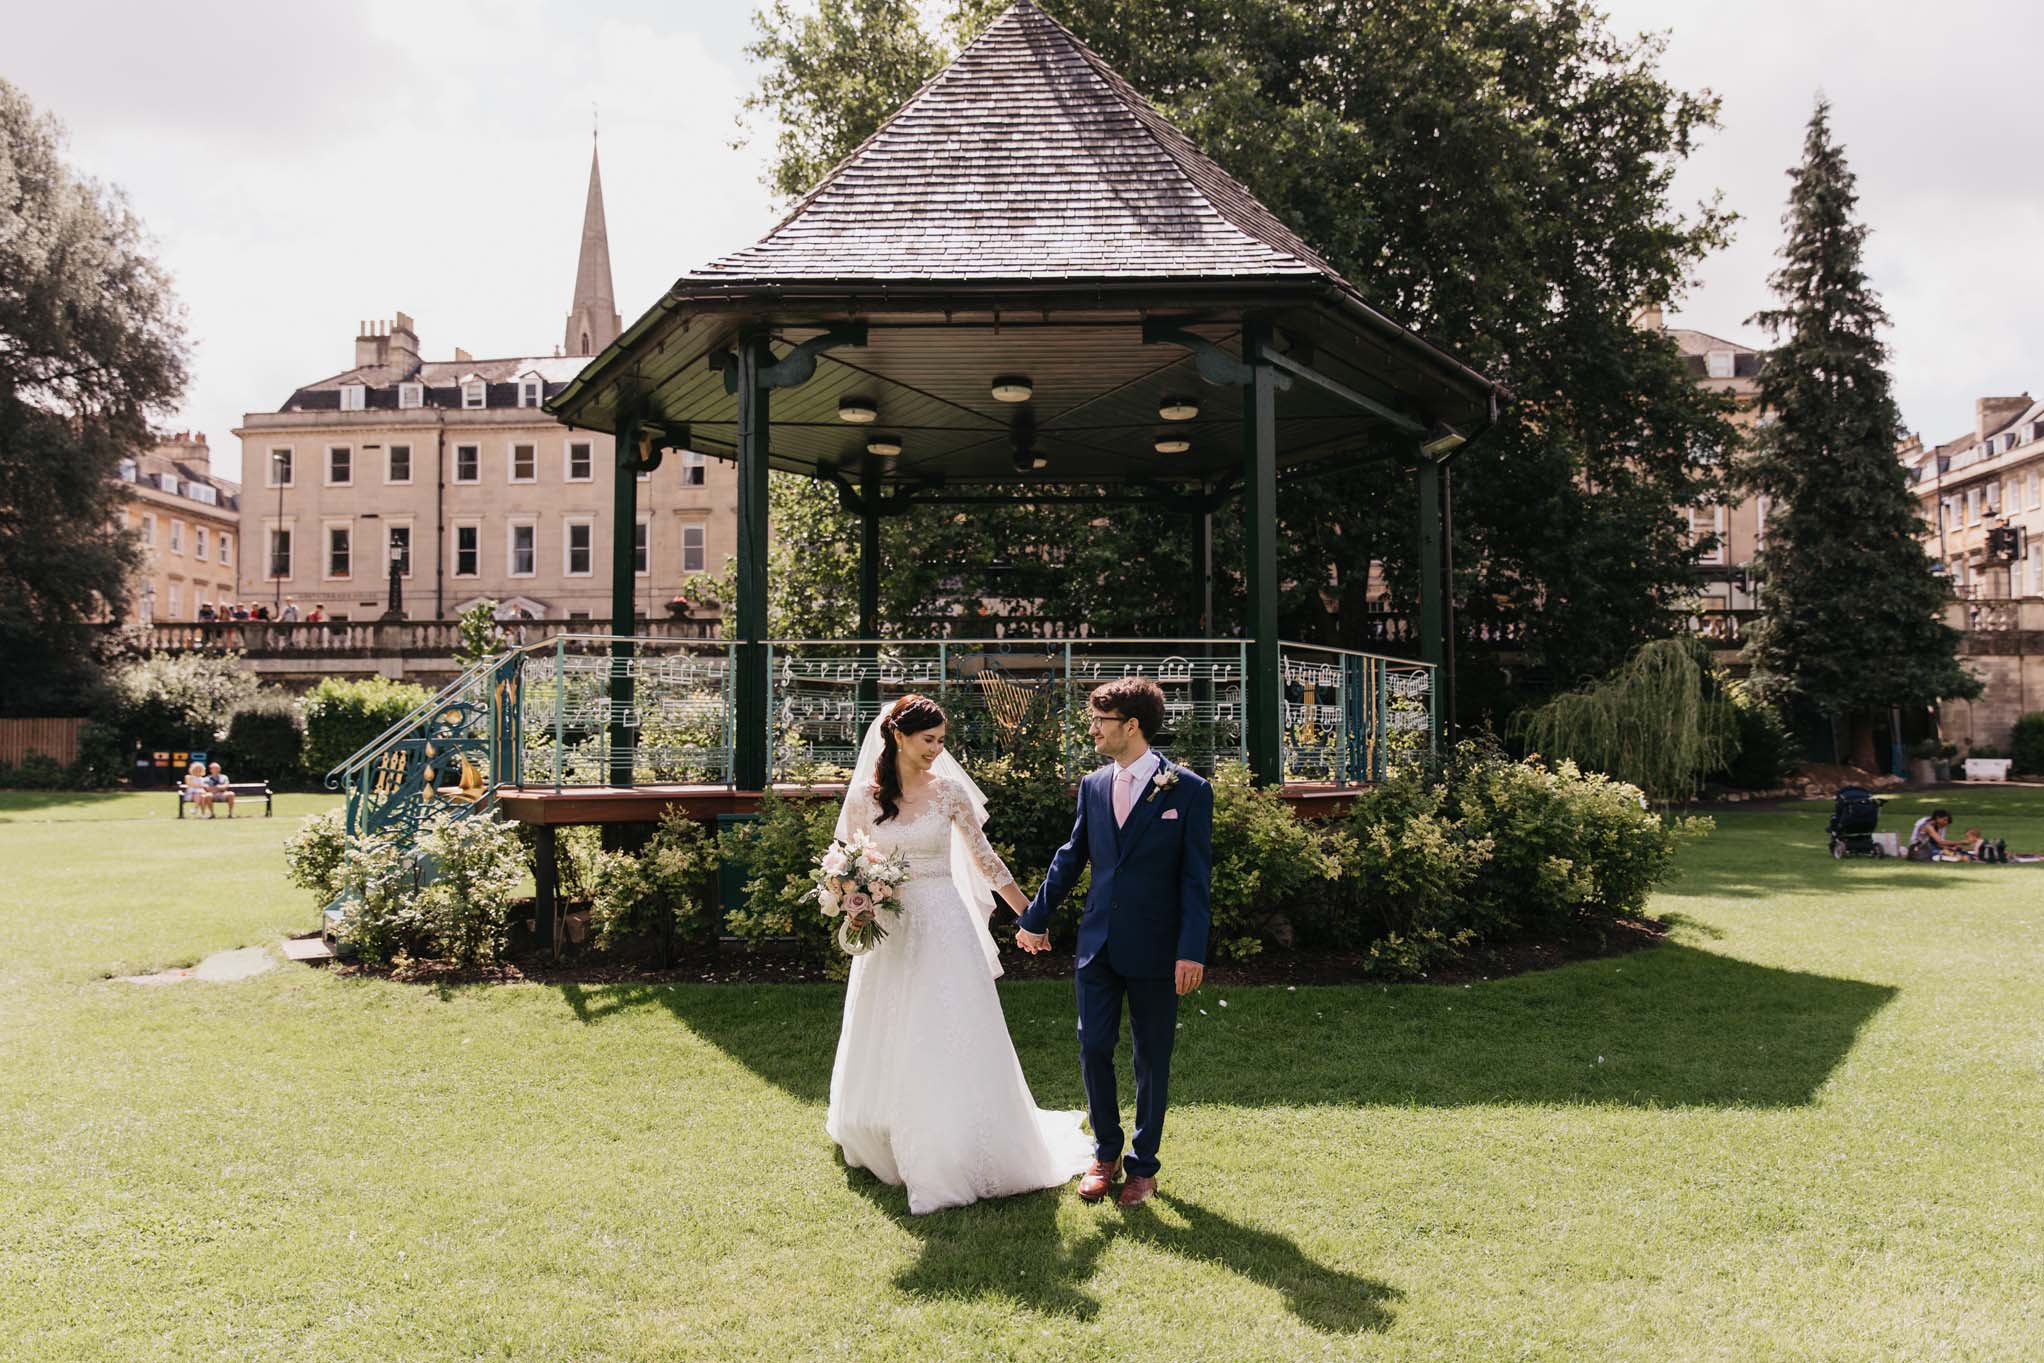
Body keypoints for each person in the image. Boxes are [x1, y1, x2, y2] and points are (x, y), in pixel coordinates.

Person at [826, 694, 1093, 1214]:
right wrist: (852, 902)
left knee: (949, 1025)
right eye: (929, 740)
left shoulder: (948, 793)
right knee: (890, 1022)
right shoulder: (864, 795)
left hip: (944, 923)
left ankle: (957, 1139)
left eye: (941, 742)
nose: (936, 751)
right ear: (899, 736)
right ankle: (882, 1125)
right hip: (890, 927)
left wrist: (1028, 915)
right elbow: (846, 861)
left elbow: (986, 861)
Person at [1016, 676, 1214, 1208]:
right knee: (1093, 1046)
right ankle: (1105, 1155)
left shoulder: (1189, 791)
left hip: (1157, 949)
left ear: (1131, 726)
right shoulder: (1093, 785)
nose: (1092, 729)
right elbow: (1072, 854)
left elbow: (1196, 880)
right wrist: (1035, 917)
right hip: (1097, 945)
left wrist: (1190, 949)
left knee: (1152, 1059)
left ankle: (1143, 1167)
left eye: (1100, 721)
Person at [1909, 809, 2005, 862]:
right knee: (1947, 853)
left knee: (1956, 850)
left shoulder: (1940, 826)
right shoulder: (1928, 826)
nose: (1946, 823)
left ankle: (1988, 854)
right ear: (1937, 818)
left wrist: (1954, 846)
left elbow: (1941, 843)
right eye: (1944, 820)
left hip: (1931, 847)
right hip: (1919, 848)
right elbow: (1940, 842)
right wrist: (1961, 842)